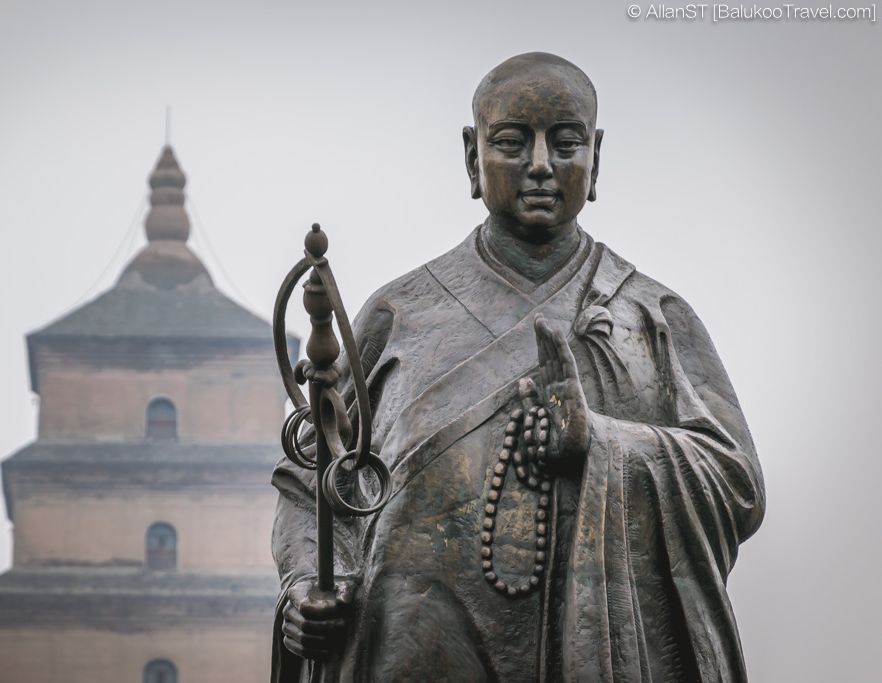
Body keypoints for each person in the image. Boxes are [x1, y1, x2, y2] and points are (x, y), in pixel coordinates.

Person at [270, 52, 765, 682]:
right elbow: (312, 479)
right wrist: (310, 584)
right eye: (511, 141)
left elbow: (737, 483)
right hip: (415, 650)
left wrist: (604, 444)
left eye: (565, 143)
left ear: (596, 155)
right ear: (473, 157)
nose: (539, 164)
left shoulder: (652, 316)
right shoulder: (400, 314)